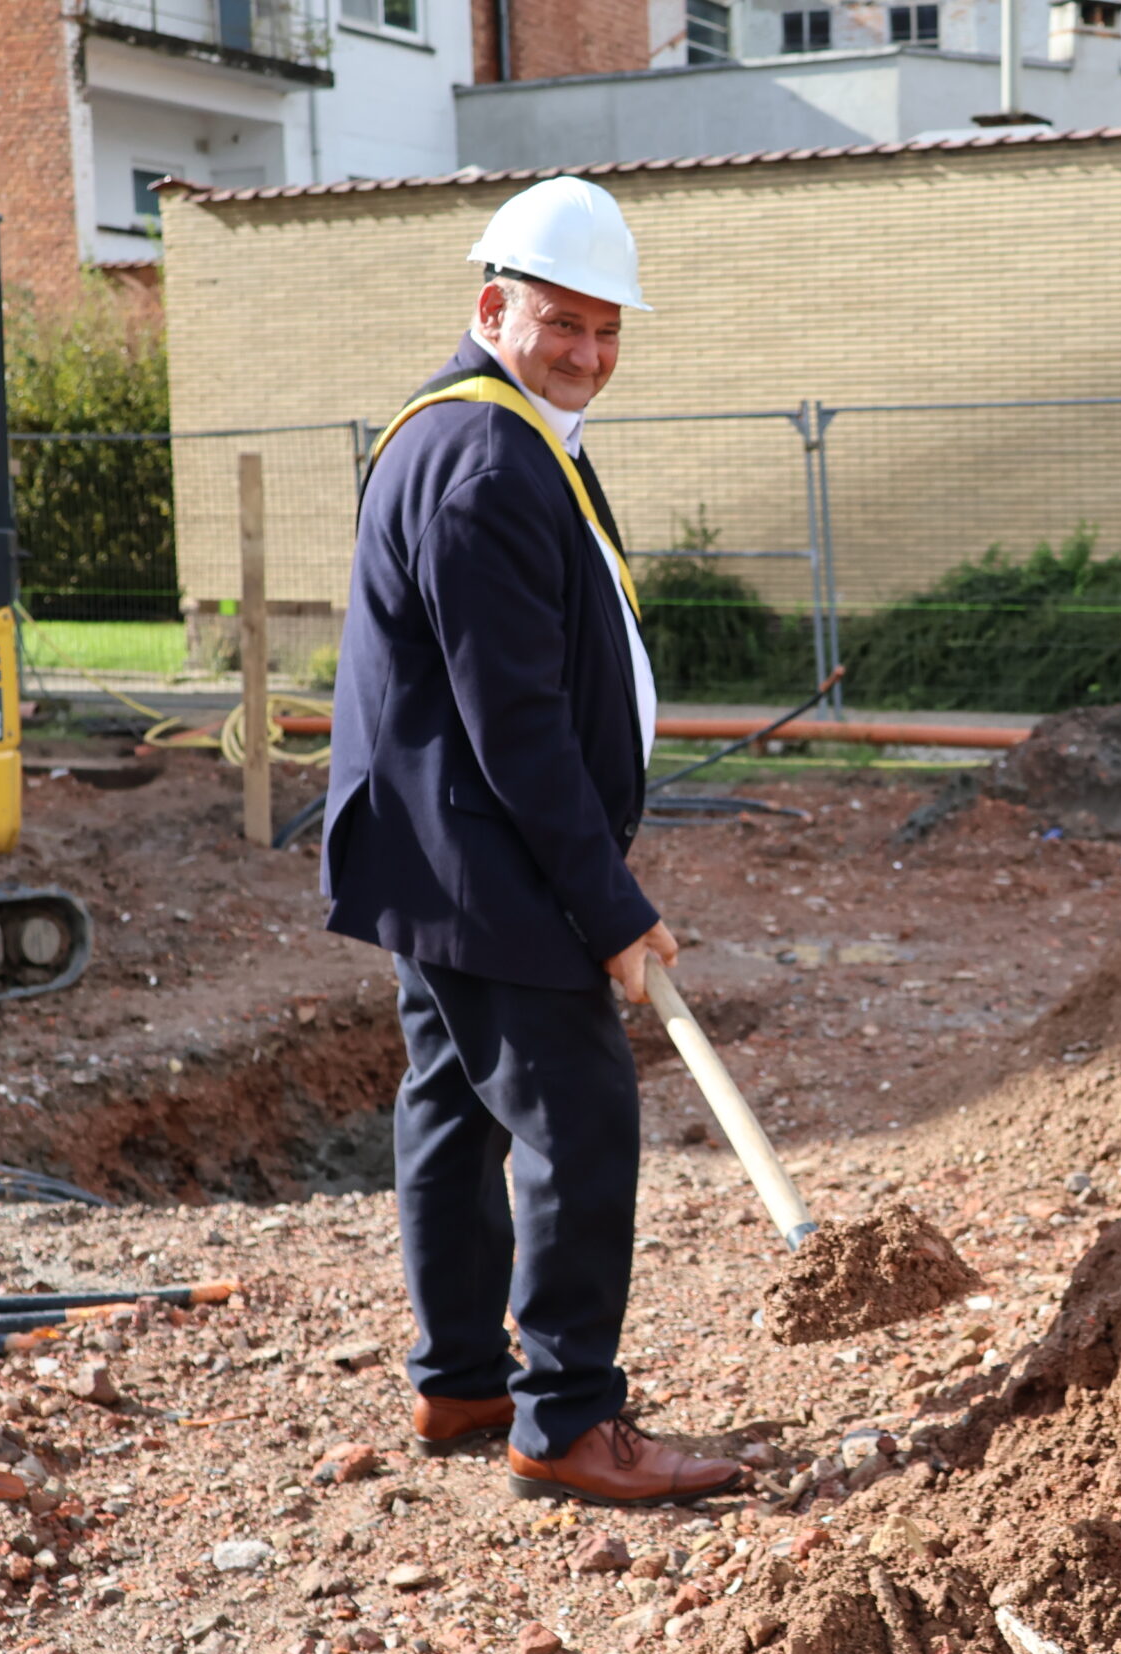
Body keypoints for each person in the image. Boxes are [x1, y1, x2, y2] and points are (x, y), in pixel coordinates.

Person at [321, 177, 742, 1507]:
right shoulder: (485, 458)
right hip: (481, 855)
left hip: (437, 847)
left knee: (452, 1105)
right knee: (577, 1112)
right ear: (491, 304)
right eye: (564, 324)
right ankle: (566, 1420)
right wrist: (609, 906)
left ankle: (461, 1380)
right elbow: (520, 730)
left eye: (609, 330)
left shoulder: (505, 432)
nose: (591, 353)